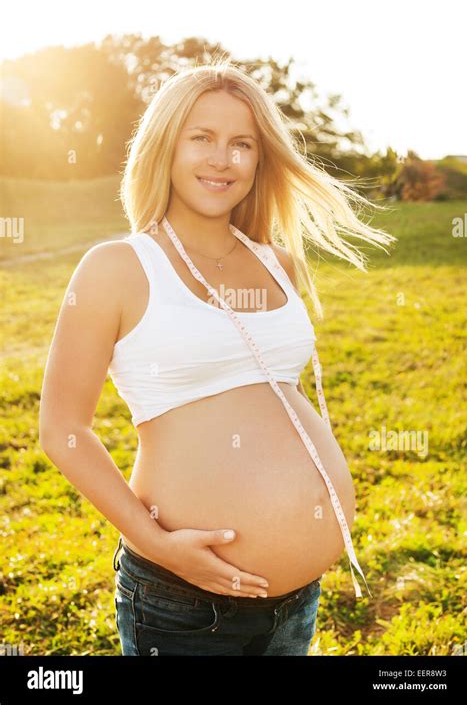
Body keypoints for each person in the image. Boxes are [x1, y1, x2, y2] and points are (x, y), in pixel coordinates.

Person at [39, 61, 396, 656]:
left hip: (299, 600)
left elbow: (276, 397)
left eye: (242, 144)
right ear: (165, 147)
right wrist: (156, 543)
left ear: (260, 160)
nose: (221, 159)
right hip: (185, 604)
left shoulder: (279, 264)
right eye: (200, 137)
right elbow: (62, 431)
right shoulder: (118, 267)